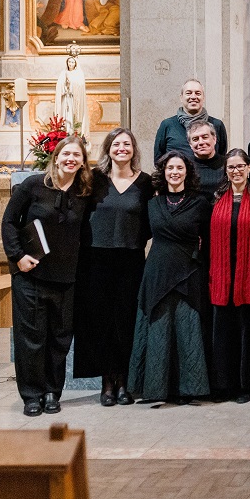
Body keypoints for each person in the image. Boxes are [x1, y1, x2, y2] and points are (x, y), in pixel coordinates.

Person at [2, 136, 92, 416]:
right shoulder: (33, 185)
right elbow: (8, 222)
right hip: (31, 276)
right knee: (31, 338)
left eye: (77, 155)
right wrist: (18, 256)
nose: (71, 159)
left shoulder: (84, 192)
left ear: (83, 161)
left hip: (66, 278)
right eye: (66, 153)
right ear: (56, 156)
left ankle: (53, 392)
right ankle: (31, 395)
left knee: (59, 339)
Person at [74, 129, 153, 407]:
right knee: (101, 322)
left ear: (134, 149)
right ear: (108, 149)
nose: (122, 148)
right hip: (95, 261)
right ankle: (107, 382)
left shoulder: (145, 183)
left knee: (126, 321)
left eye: (127, 144)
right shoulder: (94, 179)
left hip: (130, 260)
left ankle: (124, 382)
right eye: (116, 144)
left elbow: (151, 220)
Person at [128, 151, 212, 404]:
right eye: (170, 168)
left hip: (189, 271)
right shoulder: (152, 204)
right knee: (159, 327)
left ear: (187, 172)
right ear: (163, 173)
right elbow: (141, 234)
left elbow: (210, 238)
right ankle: (155, 389)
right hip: (157, 270)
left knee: (187, 328)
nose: (175, 172)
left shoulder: (200, 202)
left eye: (179, 168)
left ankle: (188, 389)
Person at [208, 149, 250, 404]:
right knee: (224, 331)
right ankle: (223, 385)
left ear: (249, 168)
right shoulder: (215, 199)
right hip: (221, 274)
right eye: (230, 167)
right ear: (226, 170)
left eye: (240, 166)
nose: (235, 171)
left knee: (247, 330)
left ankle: (246, 385)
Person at [154, 79, 228, 161]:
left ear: (203, 98)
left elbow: (222, 158)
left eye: (198, 93)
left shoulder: (217, 125)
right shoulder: (167, 125)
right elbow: (159, 160)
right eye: (188, 93)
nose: (193, 97)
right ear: (181, 98)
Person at [187, 120, 226, 200]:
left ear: (214, 139)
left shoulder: (227, 164)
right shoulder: (185, 166)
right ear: (190, 144)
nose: (201, 142)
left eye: (205, 137)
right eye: (195, 139)